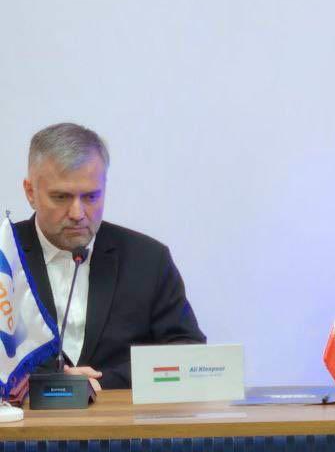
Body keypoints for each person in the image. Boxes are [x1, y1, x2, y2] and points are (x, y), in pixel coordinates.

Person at [12, 122, 204, 393]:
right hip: (23, 417)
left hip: (121, 416)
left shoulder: (148, 260)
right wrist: (41, 383)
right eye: (61, 197)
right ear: (31, 192)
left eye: (91, 197)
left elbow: (188, 352)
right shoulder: (5, 257)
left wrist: (103, 382)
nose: (77, 213)